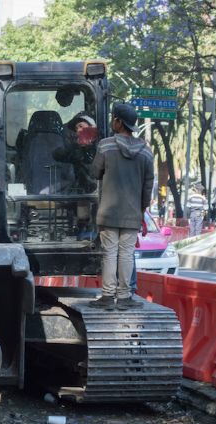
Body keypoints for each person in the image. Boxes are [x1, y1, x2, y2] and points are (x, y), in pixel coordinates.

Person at [89, 103, 154, 311]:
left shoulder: (106, 146)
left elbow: (94, 172)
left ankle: (108, 296)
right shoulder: (146, 151)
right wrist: (141, 210)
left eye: (113, 118)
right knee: (126, 255)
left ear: (118, 122)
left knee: (109, 253)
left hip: (108, 212)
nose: (111, 121)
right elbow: (148, 186)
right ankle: (124, 296)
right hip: (132, 214)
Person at [52, 112, 98, 193]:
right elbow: (57, 154)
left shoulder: (104, 144)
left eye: (81, 126)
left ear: (92, 126)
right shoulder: (76, 150)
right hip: (80, 196)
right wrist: (76, 146)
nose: (78, 130)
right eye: (76, 129)